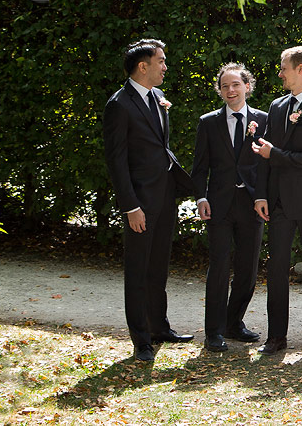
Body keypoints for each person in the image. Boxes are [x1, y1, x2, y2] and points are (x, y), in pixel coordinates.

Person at [103, 38, 195, 361]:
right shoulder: (119, 104)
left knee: (158, 268)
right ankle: (141, 340)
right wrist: (131, 206)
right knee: (138, 270)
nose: (165, 67)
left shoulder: (157, 97)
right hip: (139, 204)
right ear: (143, 66)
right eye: (161, 61)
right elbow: (117, 161)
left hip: (164, 198)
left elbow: (158, 146)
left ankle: (159, 328)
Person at [252, 46, 302, 354]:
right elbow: (264, 153)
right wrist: (261, 194)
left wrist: (275, 154)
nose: (280, 73)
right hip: (279, 201)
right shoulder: (276, 106)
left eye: (284, 67)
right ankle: (276, 336)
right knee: (276, 269)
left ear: (301, 69)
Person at [190, 62, 268, 353]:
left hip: (251, 205)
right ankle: (213, 332)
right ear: (220, 91)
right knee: (220, 267)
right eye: (225, 86)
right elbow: (199, 168)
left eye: (236, 85)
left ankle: (234, 322)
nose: (230, 90)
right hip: (219, 206)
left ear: (247, 87)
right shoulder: (208, 122)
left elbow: (265, 166)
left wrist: (263, 196)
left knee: (248, 269)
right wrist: (201, 198)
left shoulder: (263, 119)